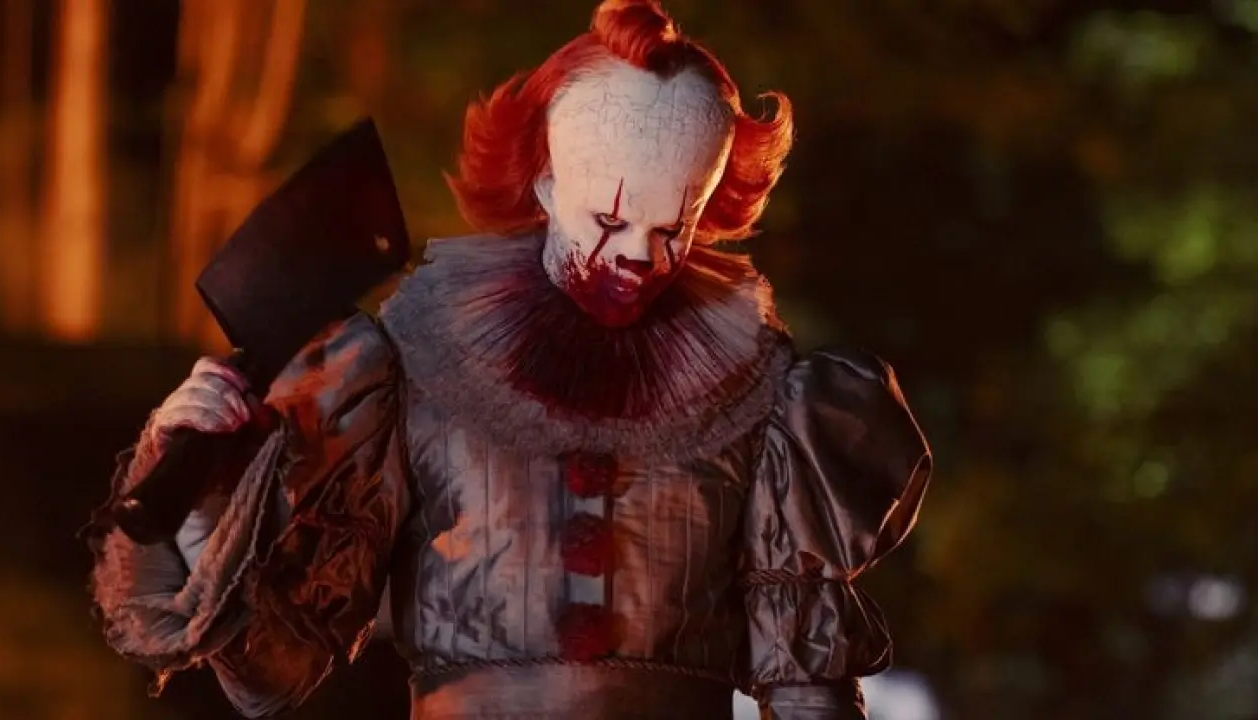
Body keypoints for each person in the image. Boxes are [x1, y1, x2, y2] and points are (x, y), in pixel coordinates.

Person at [86, 1, 932, 718]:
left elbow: (806, 680)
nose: (638, 255)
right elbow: (274, 657)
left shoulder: (762, 391)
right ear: (545, 184)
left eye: (672, 226)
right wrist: (197, 474)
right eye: (609, 220)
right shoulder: (414, 369)